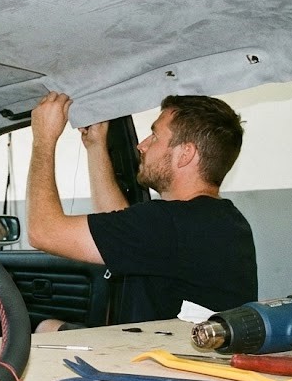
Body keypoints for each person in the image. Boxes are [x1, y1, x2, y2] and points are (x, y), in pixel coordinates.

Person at [27, 92, 257, 329]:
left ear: (185, 154)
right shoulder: (222, 220)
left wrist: (43, 139)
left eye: (155, 136)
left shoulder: (170, 223)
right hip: (171, 347)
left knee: (45, 328)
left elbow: (43, 232)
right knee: (49, 327)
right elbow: (123, 232)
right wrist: (96, 147)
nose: (142, 145)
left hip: (156, 352)